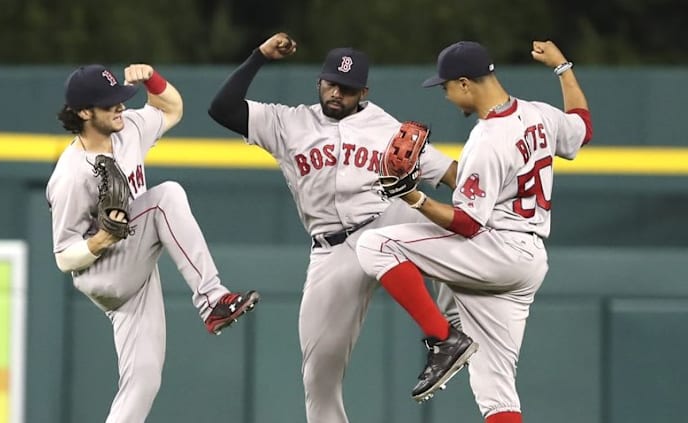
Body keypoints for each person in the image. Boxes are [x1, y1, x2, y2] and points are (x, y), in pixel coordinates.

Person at [208, 33, 459, 423]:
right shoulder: (288, 122)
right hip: (333, 249)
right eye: (331, 83)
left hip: (387, 220)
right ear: (319, 82)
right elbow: (222, 108)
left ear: (364, 91)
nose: (337, 92)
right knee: (318, 375)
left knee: (454, 228)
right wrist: (259, 56)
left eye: (348, 87)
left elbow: (452, 175)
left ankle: (450, 332)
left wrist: (495, 187)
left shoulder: (387, 127)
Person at [355, 40, 593, 422]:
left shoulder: (486, 140)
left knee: (376, 244)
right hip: (527, 264)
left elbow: (467, 223)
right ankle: (450, 330)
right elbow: (582, 127)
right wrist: (562, 66)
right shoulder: (539, 115)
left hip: (496, 250)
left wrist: (414, 197)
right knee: (496, 392)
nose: (447, 96)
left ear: (465, 83)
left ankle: (444, 339)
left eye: (446, 87)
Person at [46, 63, 261, 423]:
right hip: (103, 270)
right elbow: (63, 259)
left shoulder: (127, 129)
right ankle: (211, 299)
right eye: (110, 103)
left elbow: (171, 108)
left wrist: (152, 81)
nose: (121, 107)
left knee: (143, 381)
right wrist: (100, 240)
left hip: (135, 263)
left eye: (120, 99)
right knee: (166, 198)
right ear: (84, 113)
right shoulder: (70, 174)